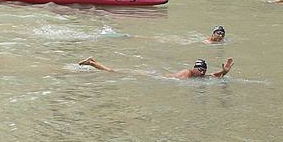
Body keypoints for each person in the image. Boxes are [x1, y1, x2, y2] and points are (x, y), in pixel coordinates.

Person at [79, 57, 233, 79]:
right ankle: (92, 63)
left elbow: (213, 76)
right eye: (200, 69)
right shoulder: (187, 73)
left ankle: (93, 62)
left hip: (157, 75)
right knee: (113, 72)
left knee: (115, 71)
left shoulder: (198, 75)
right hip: (154, 75)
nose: (202, 72)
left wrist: (224, 72)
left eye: (203, 70)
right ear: (194, 68)